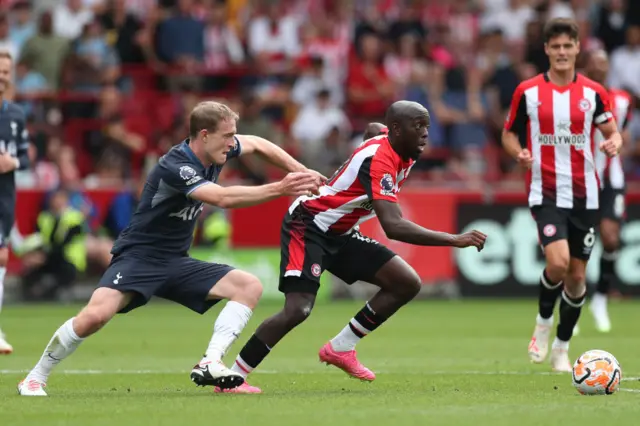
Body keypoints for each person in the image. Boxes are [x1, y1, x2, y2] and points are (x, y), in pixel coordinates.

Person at [18, 101, 323, 396]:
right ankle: (35, 377)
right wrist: (281, 187)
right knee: (95, 317)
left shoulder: (216, 150)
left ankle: (210, 362)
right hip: (138, 258)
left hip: (176, 261)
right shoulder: (176, 166)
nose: (233, 144)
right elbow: (221, 198)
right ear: (204, 135)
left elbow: (257, 143)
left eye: (233, 136)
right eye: (227, 136)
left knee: (248, 286)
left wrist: (301, 170)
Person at [217, 101, 487, 394]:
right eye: (418, 127)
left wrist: (354, 164)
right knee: (298, 309)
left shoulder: (395, 142)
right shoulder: (381, 160)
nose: (425, 134)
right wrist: (453, 239)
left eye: (427, 127)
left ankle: (341, 347)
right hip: (309, 225)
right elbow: (393, 226)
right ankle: (232, 377)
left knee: (405, 282)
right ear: (397, 130)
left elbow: (373, 129)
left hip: (341, 231)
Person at [502, 18, 622, 372]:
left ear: (577, 49)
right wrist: (518, 153)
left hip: (586, 194)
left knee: (577, 277)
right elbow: (509, 134)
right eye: (555, 46)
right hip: (546, 191)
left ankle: (562, 347)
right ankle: (542, 324)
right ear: (546, 50)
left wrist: (614, 142)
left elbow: (612, 131)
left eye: (568, 46)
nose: (562, 52)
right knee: (557, 263)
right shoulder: (527, 91)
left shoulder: (593, 93)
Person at [584, 49, 633, 333]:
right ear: (587, 67)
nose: (599, 69)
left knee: (611, 239)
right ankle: (570, 298)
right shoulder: (576, 98)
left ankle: (600, 298)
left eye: (603, 65)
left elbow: (622, 133)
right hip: (580, 179)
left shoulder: (622, 100)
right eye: (594, 65)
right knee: (575, 243)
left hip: (610, 179)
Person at [0, 50, 30, 355]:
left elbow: (24, 157)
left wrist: (12, 163)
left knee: (1, 257)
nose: (2, 76)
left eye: (6, 72)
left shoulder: (16, 115)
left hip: (4, 197)